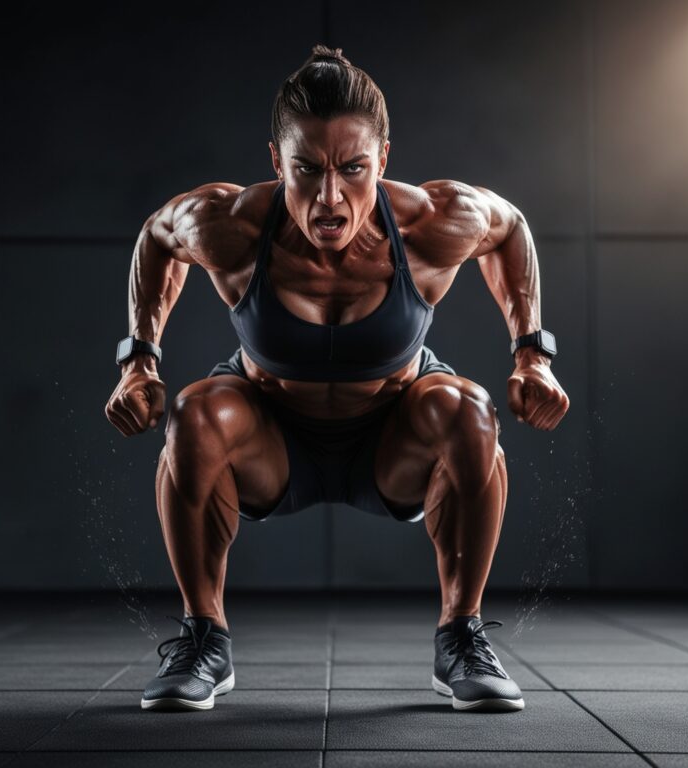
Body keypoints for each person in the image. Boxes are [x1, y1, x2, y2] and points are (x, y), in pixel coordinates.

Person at [105, 44, 570, 714]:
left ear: (382, 158)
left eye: (353, 168)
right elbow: (158, 237)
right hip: (272, 437)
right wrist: (138, 363)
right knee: (193, 414)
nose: (330, 196)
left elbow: (510, 228)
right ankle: (203, 638)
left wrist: (532, 355)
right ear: (276, 161)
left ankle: (461, 635)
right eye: (307, 170)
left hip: (392, 436)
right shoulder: (232, 226)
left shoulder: (431, 225)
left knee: (470, 412)